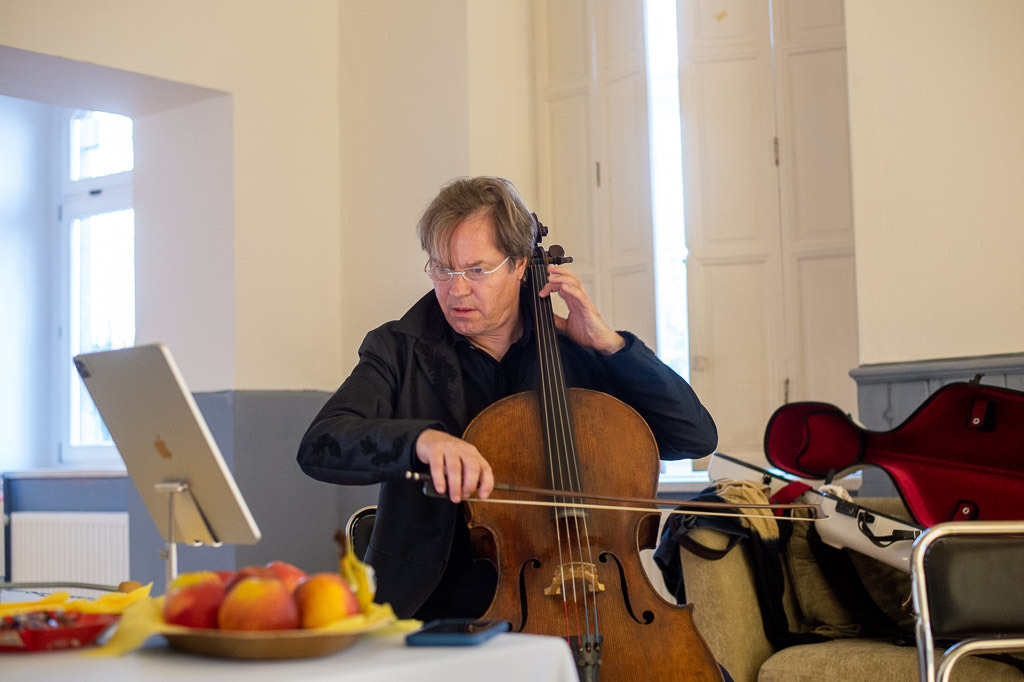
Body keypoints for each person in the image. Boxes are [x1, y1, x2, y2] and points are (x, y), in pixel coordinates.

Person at [296, 176, 717, 621]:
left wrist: (611, 345)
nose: (456, 290)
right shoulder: (398, 349)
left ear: (519, 266)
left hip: (583, 607)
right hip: (438, 613)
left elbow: (692, 438)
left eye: (477, 270)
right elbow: (322, 443)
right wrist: (422, 441)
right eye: (442, 268)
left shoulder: (579, 353)